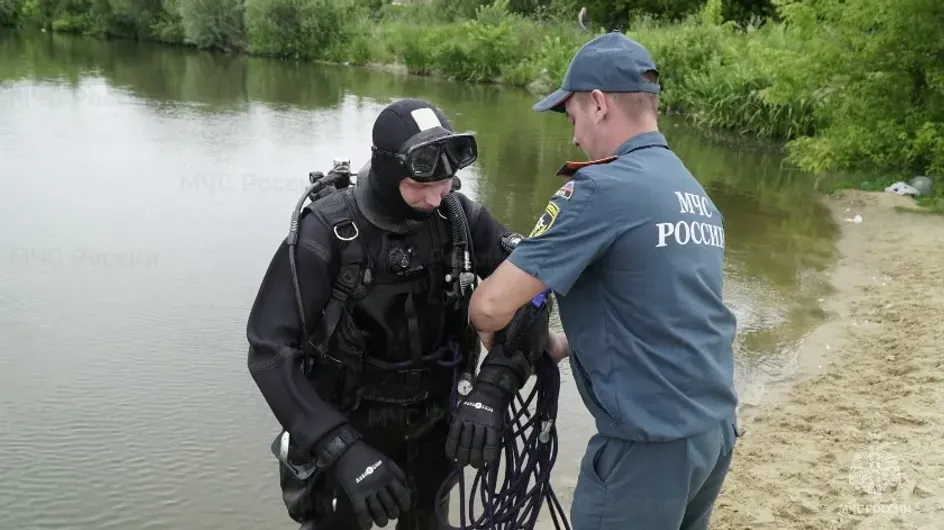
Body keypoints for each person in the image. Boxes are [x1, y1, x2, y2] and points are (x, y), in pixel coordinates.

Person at [466, 31, 741, 530]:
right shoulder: (690, 190)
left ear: (597, 104)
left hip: (647, 450)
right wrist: (563, 344)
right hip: (712, 435)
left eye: (572, 118)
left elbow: (488, 306)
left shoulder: (601, 188)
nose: (574, 137)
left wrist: (496, 338)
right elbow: (672, 312)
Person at [246, 98, 515, 530]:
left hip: (436, 422)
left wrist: (492, 389)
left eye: (446, 184)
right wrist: (340, 447)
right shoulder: (327, 233)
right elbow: (269, 350)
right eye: (419, 185)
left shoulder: (457, 218)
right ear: (388, 172)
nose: (434, 198)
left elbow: (534, 290)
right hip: (349, 420)